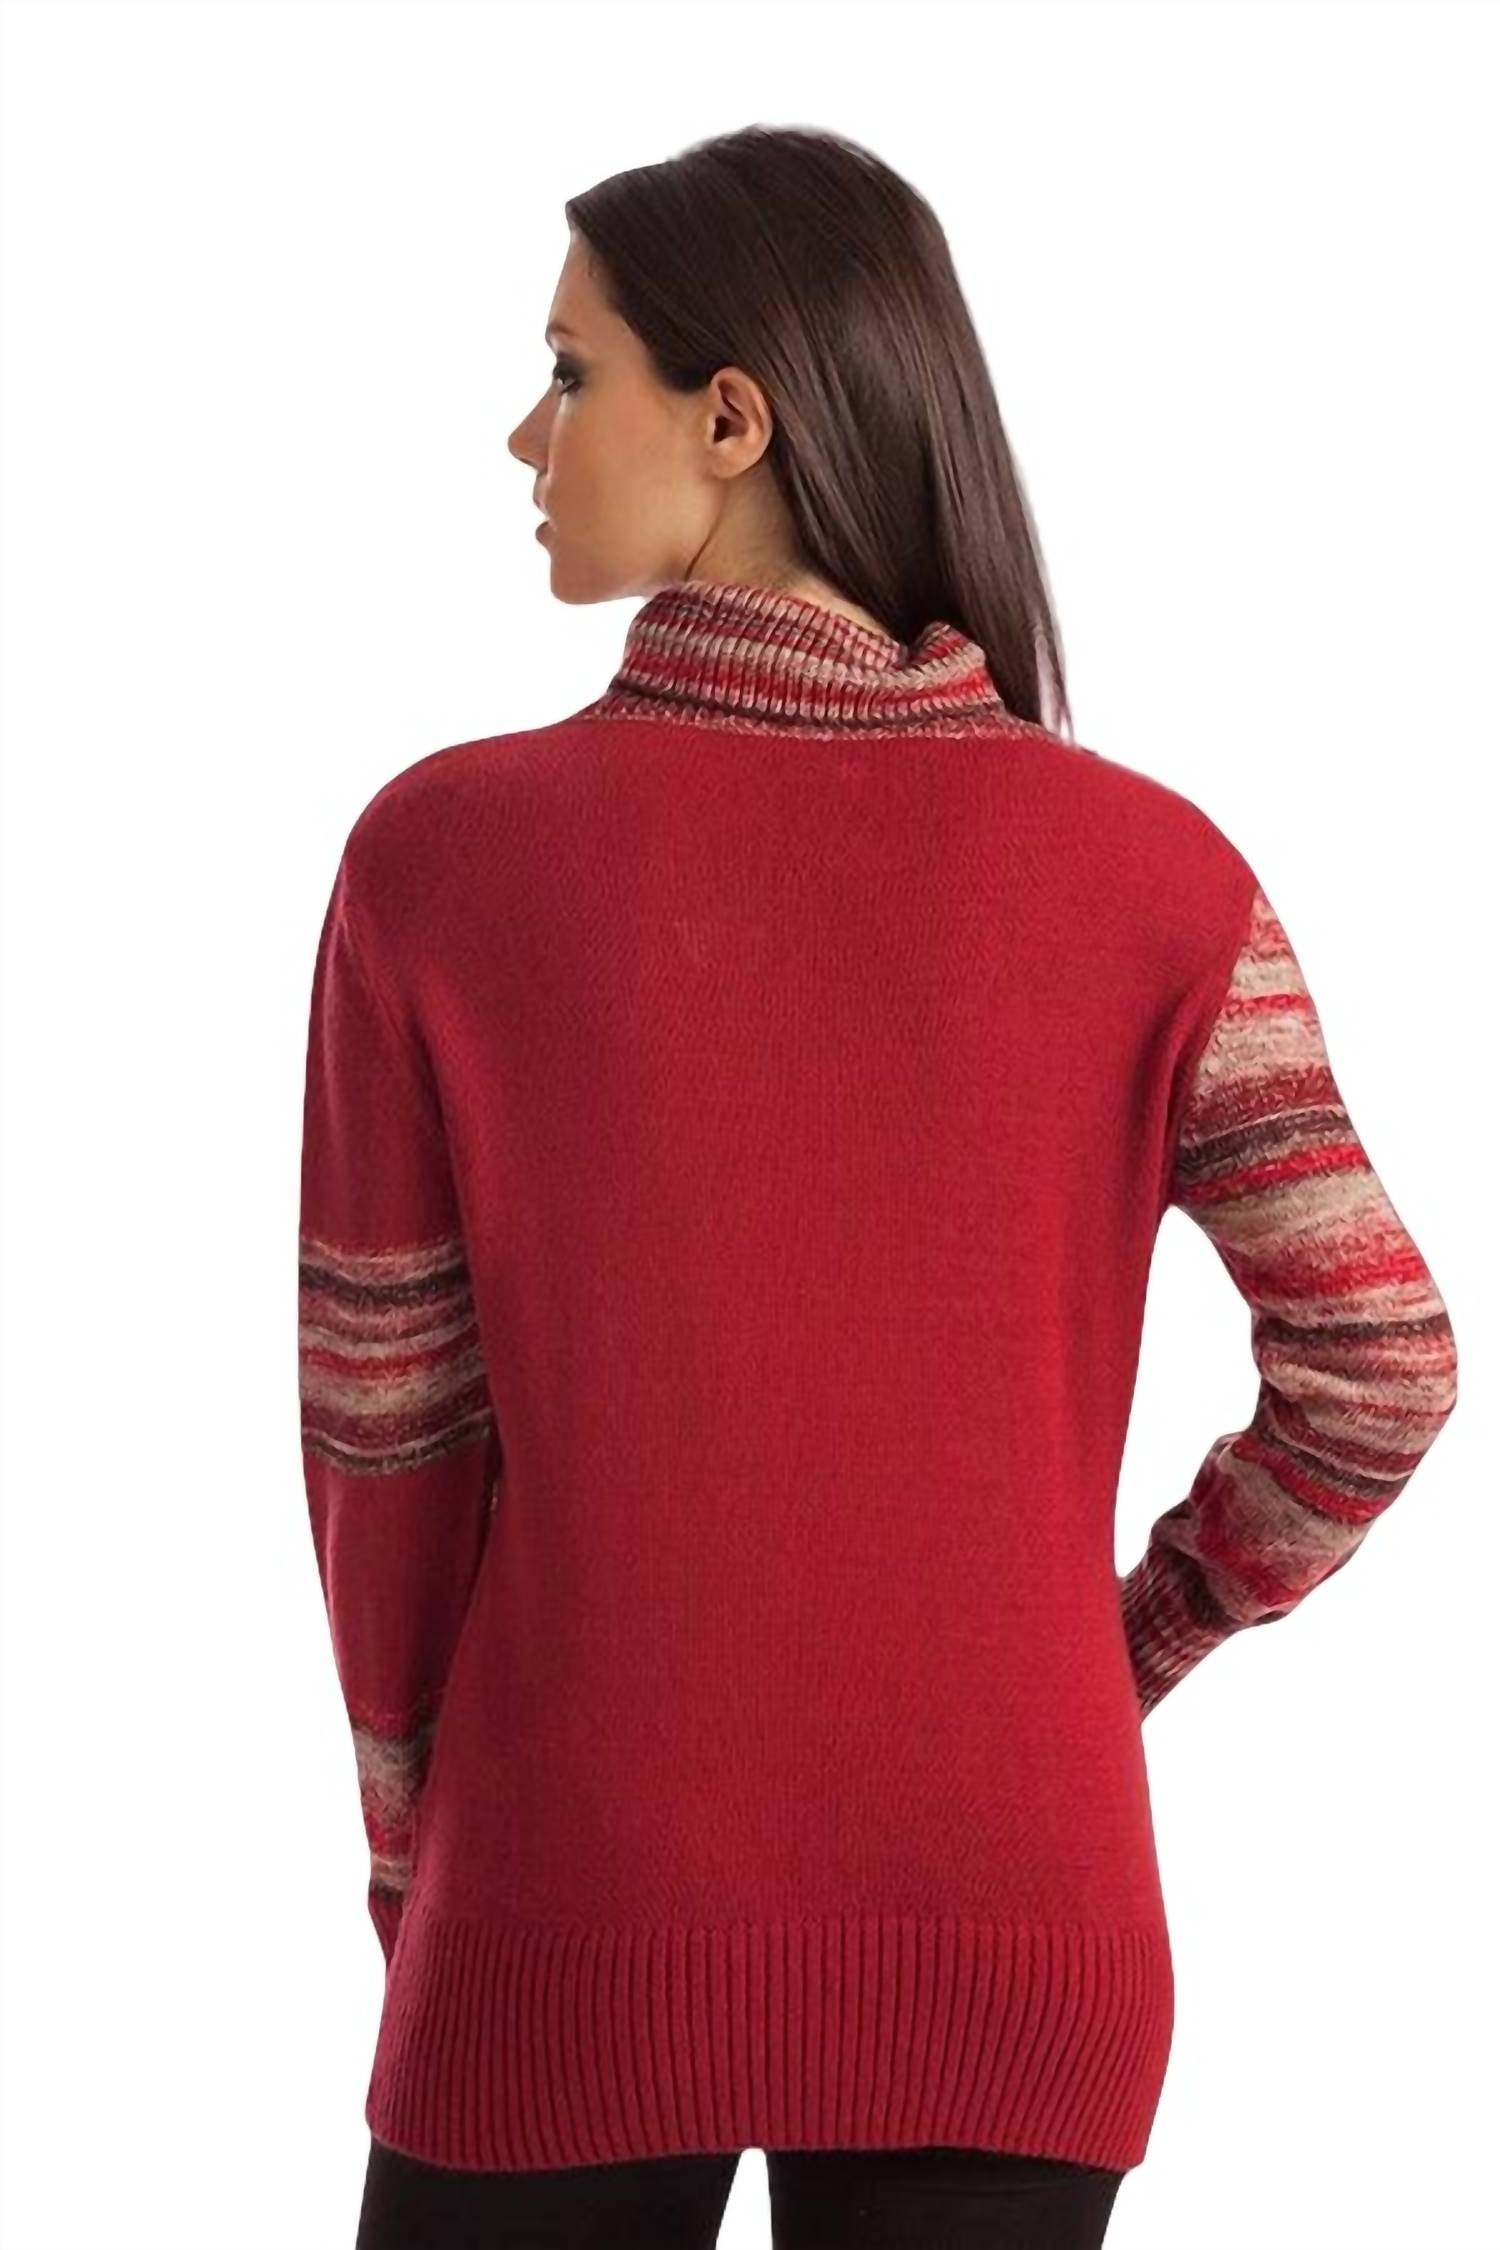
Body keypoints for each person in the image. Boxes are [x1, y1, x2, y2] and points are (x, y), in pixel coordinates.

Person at [299, 125, 1459, 2250]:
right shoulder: (1156, 880)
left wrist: (418, 1856)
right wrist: (1109, 1655)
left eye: (569, 372)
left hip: (567, 1898)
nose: (524, 435)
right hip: (1021, 1915)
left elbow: (392, 1437)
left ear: (731, 420)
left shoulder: (442, 866)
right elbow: (1380, 1364)